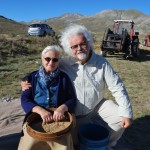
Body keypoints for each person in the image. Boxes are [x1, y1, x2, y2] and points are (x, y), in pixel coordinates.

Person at [21, 24, 133, 149]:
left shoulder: (102, 63)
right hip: (73, 112)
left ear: (89, 42)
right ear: (69, 49)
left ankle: (107, 145)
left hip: (97, 105)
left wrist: (126, 112)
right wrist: (26, 79)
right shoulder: (63, 63)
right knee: (74, 143)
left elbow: (117, 87)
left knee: (120, 117)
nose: (79, 48)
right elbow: (46, 68)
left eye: (82, 43)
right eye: (74, 46)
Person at [18, 45, 76, 150]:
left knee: (62, 143)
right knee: (30, 143)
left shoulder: (64, 78)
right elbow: (25, 99)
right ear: (41, 59)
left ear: (59, 61)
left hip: (58, 118)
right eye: (47, 59)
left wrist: (62, 108)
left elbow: (71, 99)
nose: (51, 62)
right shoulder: (31, 78)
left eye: (55, 60)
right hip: (36, 117)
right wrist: (40, 110)